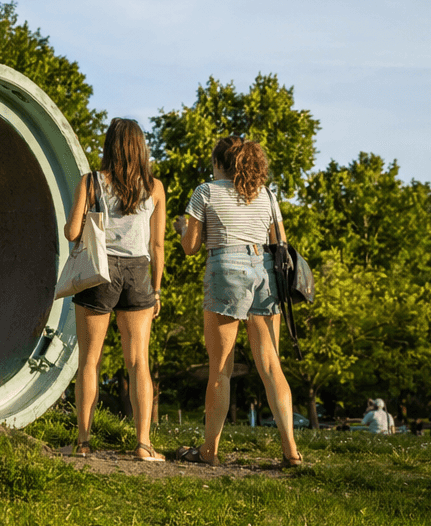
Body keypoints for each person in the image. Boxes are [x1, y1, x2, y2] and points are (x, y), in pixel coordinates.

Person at [172, 136, 304, 467]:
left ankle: (210, 452)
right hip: (263, 273)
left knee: (221, 369)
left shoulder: (205, 192)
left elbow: (190, 247)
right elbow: (280, 244)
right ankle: (291, 452)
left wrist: (180, 229)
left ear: (218, 163)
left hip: (225, 272)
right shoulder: (268, 196)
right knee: (272, 366)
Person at [62, 118, 167, 460]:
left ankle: (83, 442)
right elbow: (158, 245)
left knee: (90, 360)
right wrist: (157, 290)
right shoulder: (154, 187)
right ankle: (143, 444)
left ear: (110, 146)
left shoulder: (91, 182)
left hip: (99, 271)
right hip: (139, 273)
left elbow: (72, 233)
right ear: (140, 148)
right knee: (139, 361)